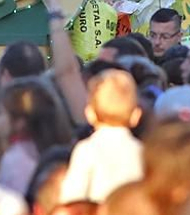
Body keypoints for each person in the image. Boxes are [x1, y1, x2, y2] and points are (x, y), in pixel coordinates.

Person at [59, 69, 143, 207]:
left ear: (89, 113)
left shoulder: (86, 150)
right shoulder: (143, 151)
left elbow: (72, 197)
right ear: (136, 115)